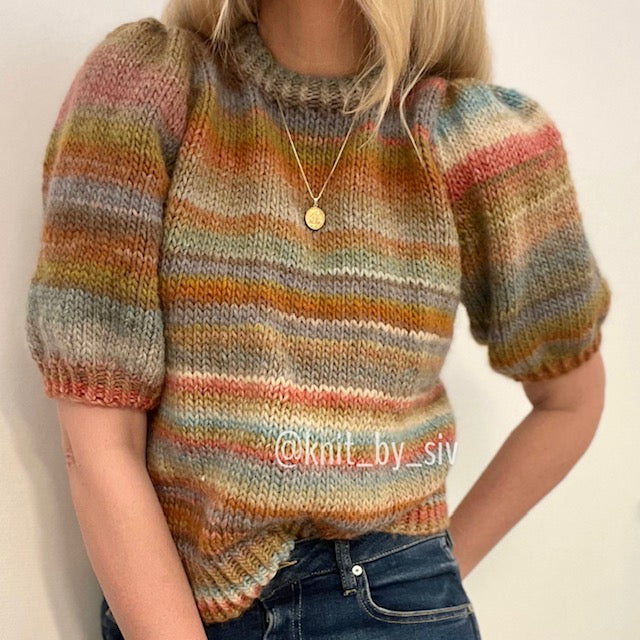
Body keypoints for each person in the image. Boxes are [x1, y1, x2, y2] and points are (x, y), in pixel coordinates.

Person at [24, 0, 612, 638]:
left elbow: (570, 401)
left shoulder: (475, 139)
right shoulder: (147, 91)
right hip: (173, 607)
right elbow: (97, 443)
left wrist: (428, 574)